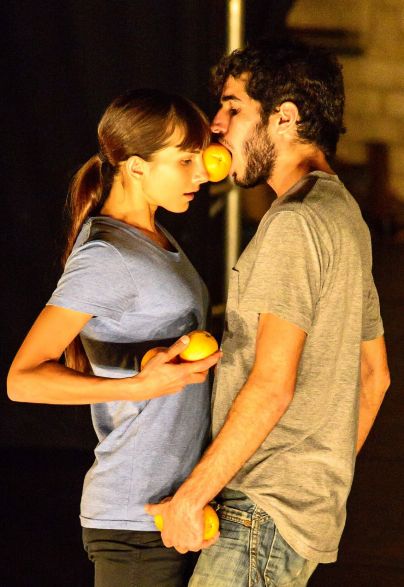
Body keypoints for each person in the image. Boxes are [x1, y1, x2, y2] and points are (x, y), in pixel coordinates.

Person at [145, 38, 391, 586]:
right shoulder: (344, 214)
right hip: (294, 517)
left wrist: (192, 498)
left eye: (232, 108)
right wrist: (313, 483)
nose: (215, 125)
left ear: (285, 118)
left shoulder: (295, 224)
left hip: (257, 514)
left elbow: (273, 384)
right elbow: (375, 376)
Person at [7, 88, 221, 587]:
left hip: (175, 510)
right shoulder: (107, 255)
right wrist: (136, 387)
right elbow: (22, 379)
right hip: (135, 519)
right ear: (136, 167)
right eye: (184, 160)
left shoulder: (153, 237)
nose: (201, 174)